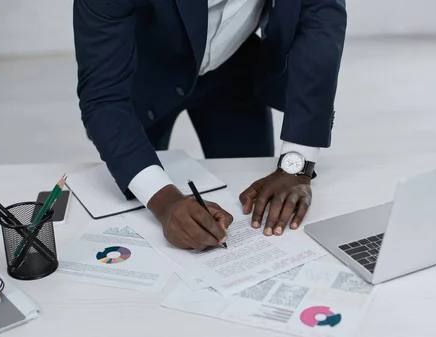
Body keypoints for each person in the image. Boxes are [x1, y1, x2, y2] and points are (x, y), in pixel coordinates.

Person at [73, 0, 347, 250]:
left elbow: (319, 23)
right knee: (136, 207)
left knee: (249, 193)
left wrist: (297, 165)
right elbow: (103, 95)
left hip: (234, 73)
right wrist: (164, 201)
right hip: (143, 79)